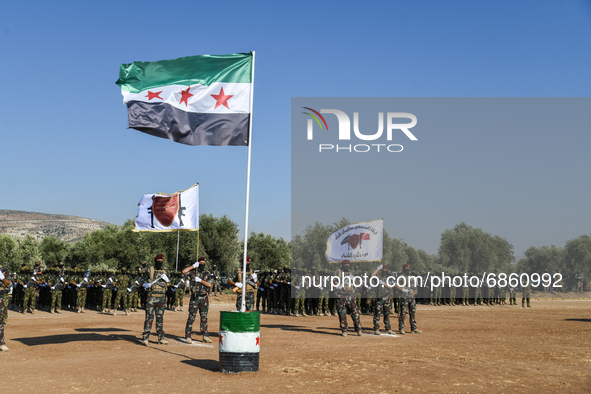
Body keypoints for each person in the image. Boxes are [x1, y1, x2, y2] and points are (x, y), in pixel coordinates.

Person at [139, 255, 170, 345]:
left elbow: (168, 284)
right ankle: (146, 338)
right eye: (159, 260)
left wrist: (167, 279)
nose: (160, 262)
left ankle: (161, 338)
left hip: (161, 298)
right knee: (149, 318)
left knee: (160, 319)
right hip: (151, 298)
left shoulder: (164, 272)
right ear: (155, 261)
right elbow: (141, 280)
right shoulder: (149, 270)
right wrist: (145, 285)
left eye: (161, 260)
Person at [181, 257, 212, 344]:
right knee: (191, 317)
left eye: (203, 263)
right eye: (200, 263)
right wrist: (193, 266)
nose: (202, 264)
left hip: (204, 298)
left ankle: (205, 336)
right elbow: (183, 272)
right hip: (194, 298)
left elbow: (209, 285)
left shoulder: (207, 274)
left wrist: (201, 280)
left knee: (204, 318)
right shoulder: (192, 272)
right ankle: (188, 336)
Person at [335, 260, 362, 337]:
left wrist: (353, 279)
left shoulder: (351, 273)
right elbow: (332, 282)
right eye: (346, 264)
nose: (347, 266)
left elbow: (356, 283)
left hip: (350, 296)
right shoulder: (338, 272)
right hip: (341, 296)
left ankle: (358, 329)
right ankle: (344, 330)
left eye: (348, 264)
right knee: (342, 314)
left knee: (355, 313)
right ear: (343, 265)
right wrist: (339, 285)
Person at [394, 263, 422, 335]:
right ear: (404, 269)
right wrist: (402, 289)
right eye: (406, 269)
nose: (408, 270)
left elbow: (414, 286)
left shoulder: (412, 277)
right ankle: (401, 328)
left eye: (408, 269)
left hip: (412, 297)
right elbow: (395, 285)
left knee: (412, 313)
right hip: (404, 297)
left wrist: (415, 292)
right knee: (403, 313)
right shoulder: (401, 277)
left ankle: (413, 328)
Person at [371, 264, 394, 335]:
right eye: (383, 269)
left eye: (385, 269)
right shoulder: (377, 277)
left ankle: (388, 329)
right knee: (377, 314)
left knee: (387, 314)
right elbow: (372, 275)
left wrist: (383, 283)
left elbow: (390, 287)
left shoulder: (389, 278)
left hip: (387, 298)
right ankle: (376, 329)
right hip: (379, 298)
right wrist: (377, 268)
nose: (384, 270)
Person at [0, 266, 12, 351]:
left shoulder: (3, 270)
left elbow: (9, 283)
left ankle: (1, 343)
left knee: (0, 321)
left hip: (0, 298)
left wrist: (2, 277)